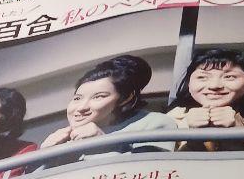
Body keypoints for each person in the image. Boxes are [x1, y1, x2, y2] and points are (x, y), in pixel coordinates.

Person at [41, 55, 179, 155]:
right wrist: (45, 154)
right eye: (77, 98)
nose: (81, 107)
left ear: (126, 98)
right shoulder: (65, 138)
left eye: (98, 97)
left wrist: (105, 143)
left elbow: (152, 171)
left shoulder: (154, 123)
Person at [168, 48, 244, 150]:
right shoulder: (170, 120)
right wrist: (192, 135)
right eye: (202, 77)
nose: (214, 85)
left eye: (229, 76)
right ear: (189, 83)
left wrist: (237, 131)